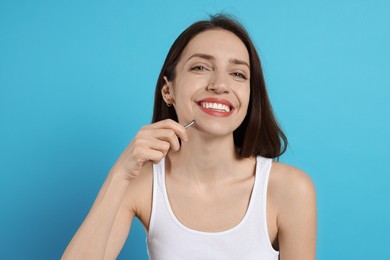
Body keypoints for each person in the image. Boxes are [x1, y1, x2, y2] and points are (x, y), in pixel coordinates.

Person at [62, 14, 316, 260]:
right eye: (200, 67)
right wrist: (119, 175)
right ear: (167, 90)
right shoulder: (142, 183)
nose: (220, 84)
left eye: (238, 74)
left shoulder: (290, 189)